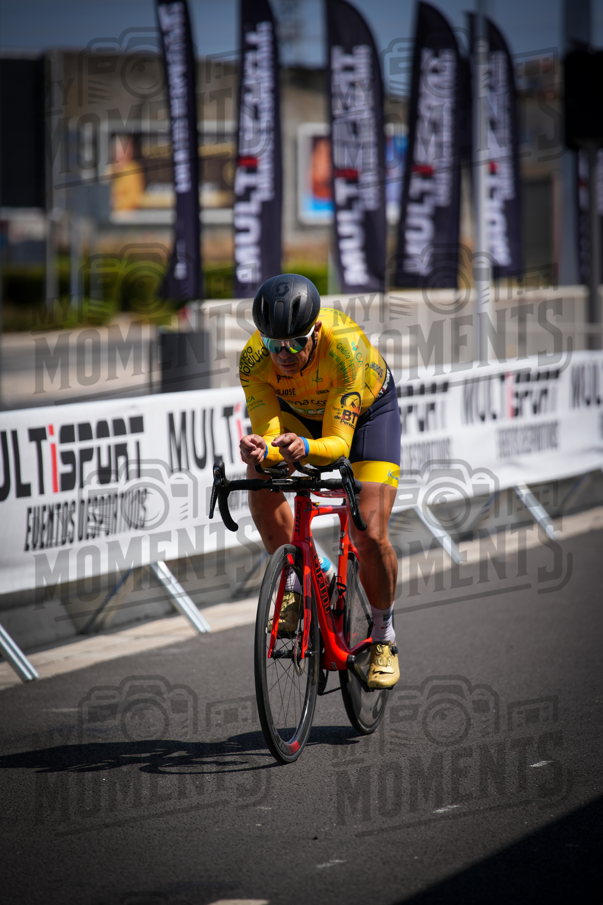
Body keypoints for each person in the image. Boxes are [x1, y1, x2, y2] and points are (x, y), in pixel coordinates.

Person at [238, 273, 401, 688]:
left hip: (365, 416)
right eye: (275, 344)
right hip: (301, 414)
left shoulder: (343, 346)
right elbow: (273, 434)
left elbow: (339, 445)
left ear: (316, 331)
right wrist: (265, 451)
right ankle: (306, 575)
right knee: (260, 479)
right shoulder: (253, 358)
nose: (284, 354)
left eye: (295, 342)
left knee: (369, 531)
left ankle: (383, 636)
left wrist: (304, 450)